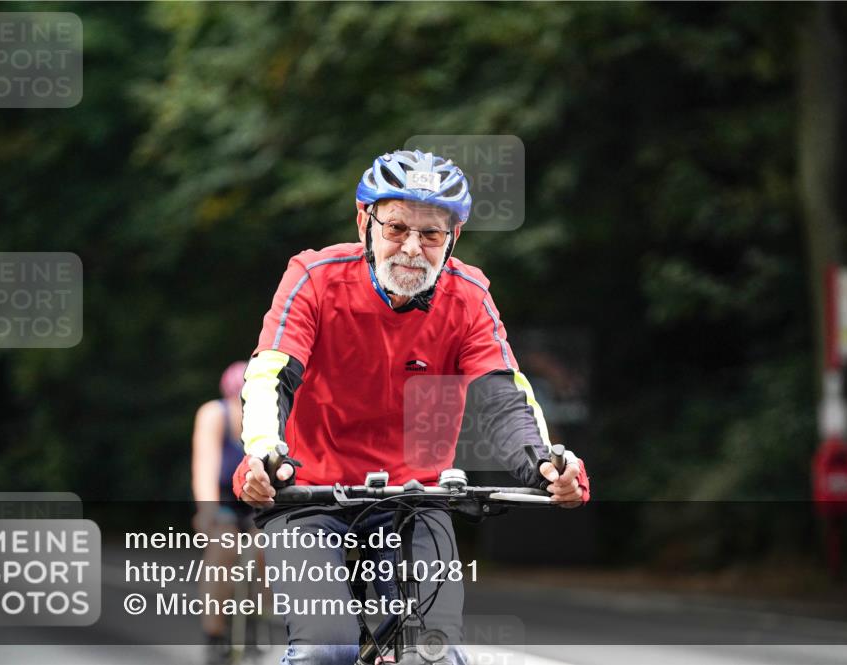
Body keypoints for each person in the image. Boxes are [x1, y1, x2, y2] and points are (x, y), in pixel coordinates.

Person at [232, 149, 590, 665]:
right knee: (324, 649)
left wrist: (543, 465)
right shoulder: (314, 277)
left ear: (453, 238)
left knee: (434, 652)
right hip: (308, 492)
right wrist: (265, 454)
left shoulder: (468, 296)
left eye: (431, 234)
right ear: (365, 222)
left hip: (414, 496)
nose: (412, 248)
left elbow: (502, 396)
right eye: (397, 227)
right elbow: (271, 373)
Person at [192, 362, 266, 664]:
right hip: (224, 498)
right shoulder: (214, 415)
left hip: (260, 499)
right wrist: (206, 511)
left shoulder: (271, 418)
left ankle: (256, 620)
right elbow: (204, 467)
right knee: (223, 549)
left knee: (267, 549)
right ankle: (214, 633)